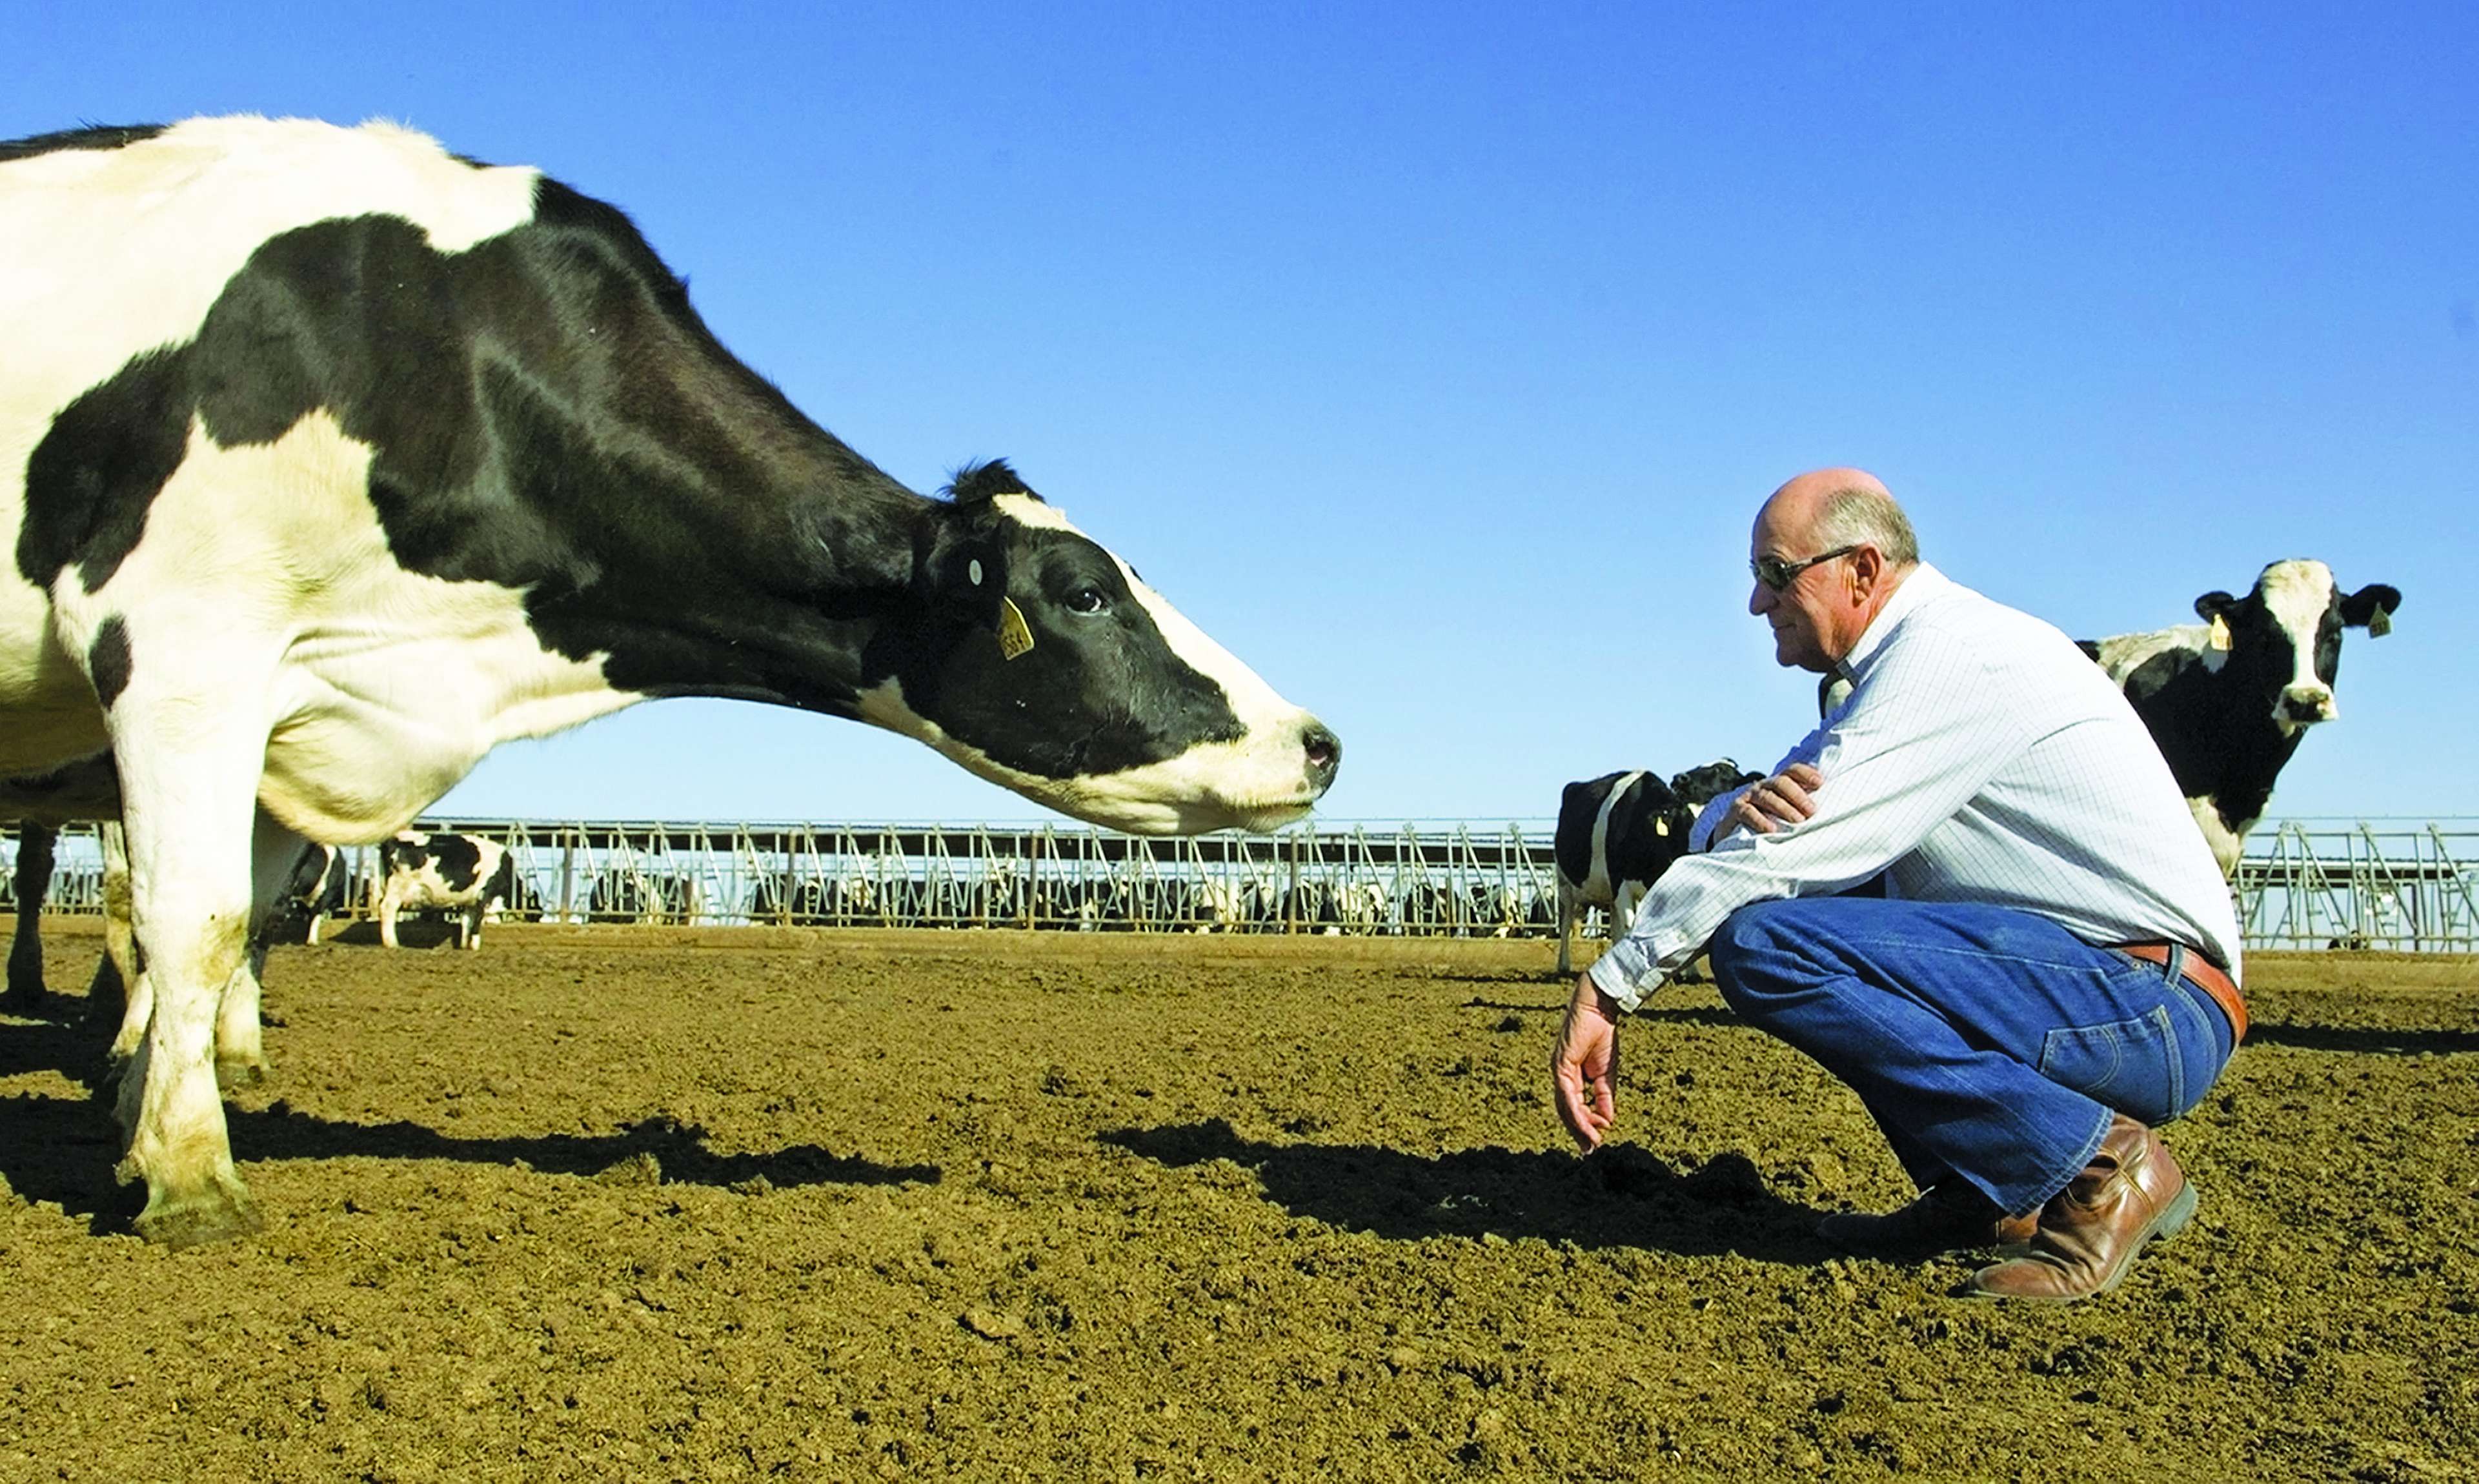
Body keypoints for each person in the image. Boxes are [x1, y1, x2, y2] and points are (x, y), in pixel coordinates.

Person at [1550, 468, 2245, 1301]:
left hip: (2146, 1005)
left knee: (1763, 942)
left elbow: (1785, 848)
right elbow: (1765, 813)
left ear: (1861, 570)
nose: (1754, 603)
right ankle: (1987, 1186)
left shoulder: (1950, 656)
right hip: (2097, 990)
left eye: (1774, 573)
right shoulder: (1895, 676)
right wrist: (1736, 808)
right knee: (1803, 919)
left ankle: (2104, 1166)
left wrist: (1609, 985)